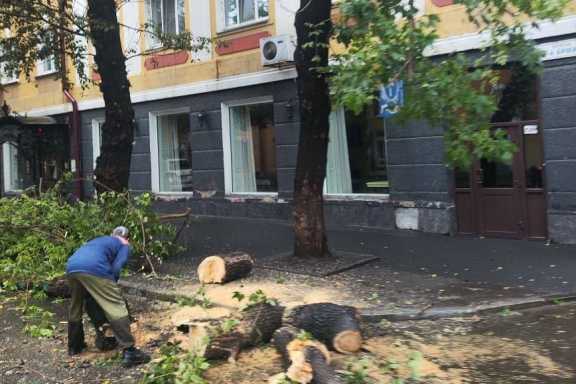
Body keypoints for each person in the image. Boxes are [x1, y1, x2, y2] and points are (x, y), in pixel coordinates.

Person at [66, 226, 150, 367]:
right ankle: (130, 352)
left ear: (112, 234)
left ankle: (75, 346)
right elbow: (117, 267)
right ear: (127, 238)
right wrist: (112, 286)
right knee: (116, 305)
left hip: (72, 266)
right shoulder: (124, 244)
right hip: (94, 267)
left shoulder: (100, 240)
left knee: (76, 305)